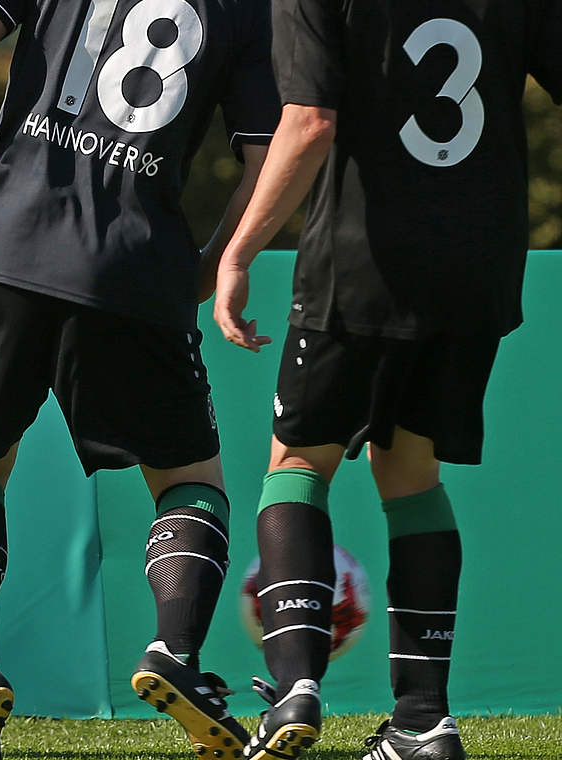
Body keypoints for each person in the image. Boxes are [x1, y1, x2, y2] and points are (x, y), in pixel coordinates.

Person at [0, 1, 279, 757]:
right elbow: (270, 154)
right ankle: (173, 654)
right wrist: (220, 262)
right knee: (189, 479)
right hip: (134, 267)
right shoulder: (251, 9)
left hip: (3, 247)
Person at [211, 1, 562, 758]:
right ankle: (422, 721)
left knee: (298, 465)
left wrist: (237, 251)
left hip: (361, 262)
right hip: (478, 270)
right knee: (411, 474)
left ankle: (294, 690)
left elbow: (308, 120)